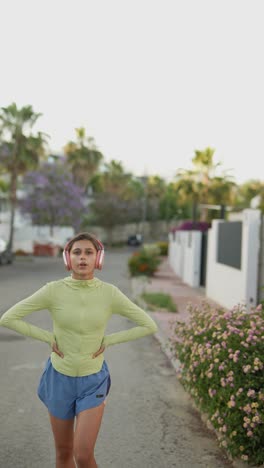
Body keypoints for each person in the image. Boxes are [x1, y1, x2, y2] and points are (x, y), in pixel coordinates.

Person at [0, 232, 158, 468]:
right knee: (64, 453)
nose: (82, 258)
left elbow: (149, 325)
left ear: (98, 258)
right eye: (76, 252)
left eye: (89, 252)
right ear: (67, 259)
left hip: (93, 379)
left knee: (83, 455)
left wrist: (109, 341)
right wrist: (47, 337)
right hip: (58, 379)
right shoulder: (53, 290)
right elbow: (8, 318)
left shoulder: (109, 293)